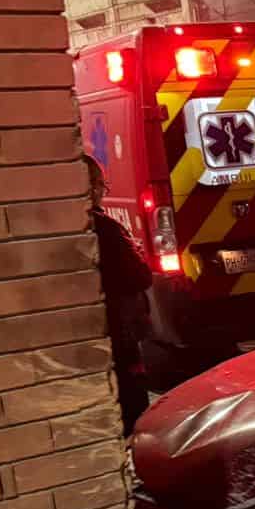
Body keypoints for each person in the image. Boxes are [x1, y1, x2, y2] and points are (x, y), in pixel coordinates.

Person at [84, 155, 153, 434]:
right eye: (99, 185)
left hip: (100, 333)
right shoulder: (106, 230)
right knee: (133, 405)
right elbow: (139, 275)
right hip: (119, 333)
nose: (101, 192)